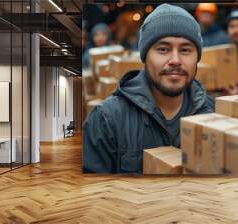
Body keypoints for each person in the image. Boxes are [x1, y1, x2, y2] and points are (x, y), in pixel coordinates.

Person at [82, 4, 215, 173]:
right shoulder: (107, 120)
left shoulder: (211, 114)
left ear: (197, 58)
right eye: (163, 49)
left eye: (185, 50)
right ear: (145, 56)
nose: (175, 60)